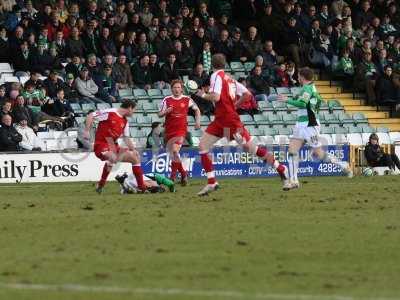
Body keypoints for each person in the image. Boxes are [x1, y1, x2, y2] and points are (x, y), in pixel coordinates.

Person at [196, 53, 289, 196]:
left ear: (211, 65)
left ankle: (281, 168)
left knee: (251, 148)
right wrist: (235, 105)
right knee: (202, 146)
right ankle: (211, 182)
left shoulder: (216, 76)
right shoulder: (231, 80)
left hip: (230, 121)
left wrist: (201, 94)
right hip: (221, 120)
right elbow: (247, 95)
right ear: (225, 64)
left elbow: (215, 97)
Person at [277, 67, 353, 191]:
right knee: (292, 151)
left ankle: (343, 165)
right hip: (301, 124)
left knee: (318, 153)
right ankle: (293, 181)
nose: (297, 77)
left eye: (299, 76)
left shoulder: (308, 88)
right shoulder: (310, 88)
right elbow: (308, 101)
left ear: (302, 77)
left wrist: (287, 100)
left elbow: (302, 103)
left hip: (310, 125)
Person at [83, 99, 147, 193]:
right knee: (113, 157)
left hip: (113, 146)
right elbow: (90, 115)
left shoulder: (125, 122)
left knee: (135, 158)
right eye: (134, 110)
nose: (134, 112)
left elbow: (126, 138)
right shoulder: (110, 113)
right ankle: (102, 182)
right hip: (101, 145)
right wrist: (86, 131)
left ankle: (142, 188)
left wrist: (133, 150)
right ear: (129, 108)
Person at [158, 79, 201, 185]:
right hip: (169, 130)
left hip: (181, 130)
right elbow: (159, 114)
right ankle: (183, 175)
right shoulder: (166, 99)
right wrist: (165, 112)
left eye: (178, 87)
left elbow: (197, 110)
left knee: (175, 151)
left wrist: (197, 122)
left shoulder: (187, 99)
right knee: (174, 154)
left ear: (182, 89)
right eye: (174, 87)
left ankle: (172, 178)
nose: (177, 89)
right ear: (171, 89)